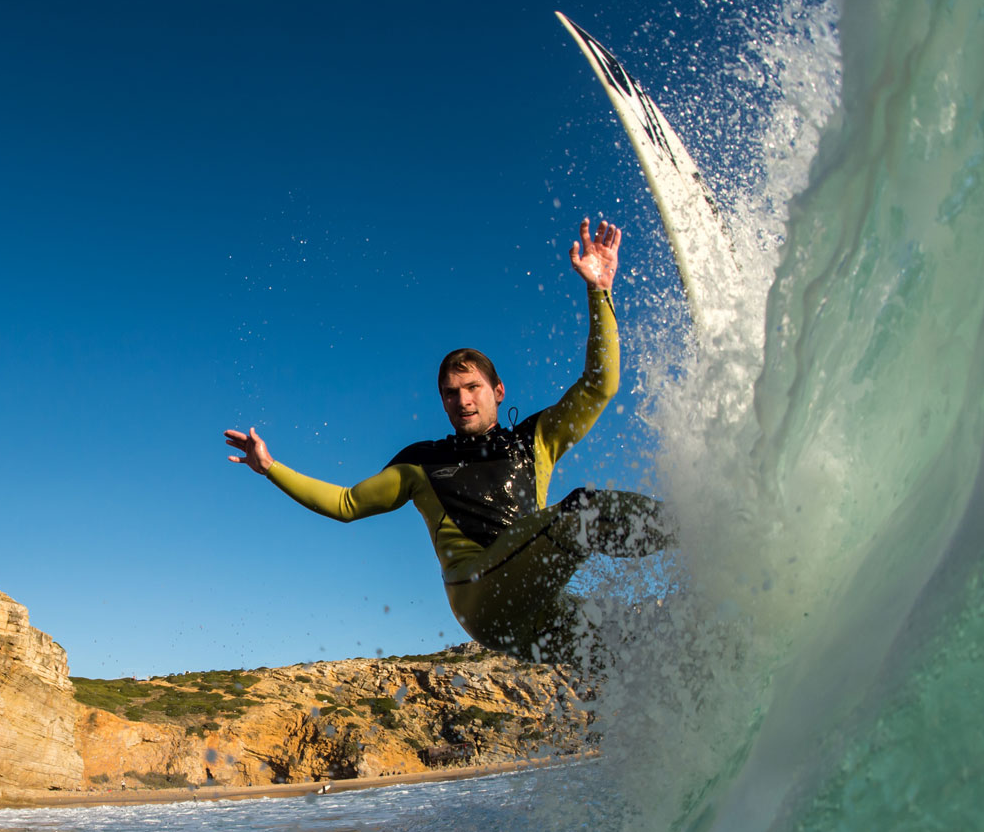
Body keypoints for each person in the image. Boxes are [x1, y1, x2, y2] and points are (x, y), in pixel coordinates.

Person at [223, 218, 669, 662]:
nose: (463, 400)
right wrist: (270, 468)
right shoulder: (423, 463)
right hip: (480, 597)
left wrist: (599, 290)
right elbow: (346, 504)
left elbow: (599, 386)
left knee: (641, 642)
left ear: (498, 391)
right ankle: (687, 529)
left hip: (536, 604)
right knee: (580, 511)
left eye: (472, 387)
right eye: (450, 393)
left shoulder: (535, 440)